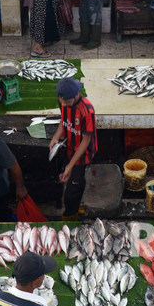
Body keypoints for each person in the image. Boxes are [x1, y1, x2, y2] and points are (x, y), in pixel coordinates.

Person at [50, 78, 97, 220]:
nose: (64, 104)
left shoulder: (87, 111)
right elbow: (63, 120)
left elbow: (85, 141)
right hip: (69, 146)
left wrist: (70, 166)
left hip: (82, 154)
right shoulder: (63, 100)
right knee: (64, 176)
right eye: (62, 101)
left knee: (73, 192)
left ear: (77, 95)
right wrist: (56, 137)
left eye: (67, 102)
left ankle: (71, 217)